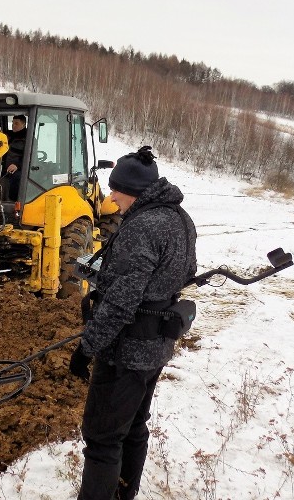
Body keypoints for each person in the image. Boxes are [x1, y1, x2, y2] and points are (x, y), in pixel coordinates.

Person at [69, 145, 197, 500]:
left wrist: (86, 348)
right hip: (157, 346)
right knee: (134, 426)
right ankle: (124, 493)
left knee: (103, 436)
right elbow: (188, 272)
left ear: (132, 191)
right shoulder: (181, 219)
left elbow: (120, 303)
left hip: (125, 352)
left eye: (115, 190)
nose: (111, 198)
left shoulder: (143, 227)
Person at [1, 114, 27, 201]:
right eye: (12, 123)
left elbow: (29, 157)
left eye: (16, 123)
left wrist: (17, 165)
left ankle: (13, 201)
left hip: (19, 169)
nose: (13, 125)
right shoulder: (8, 136)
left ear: (23, 125)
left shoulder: (28, 139)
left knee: (16, 178)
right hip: (4, 168)